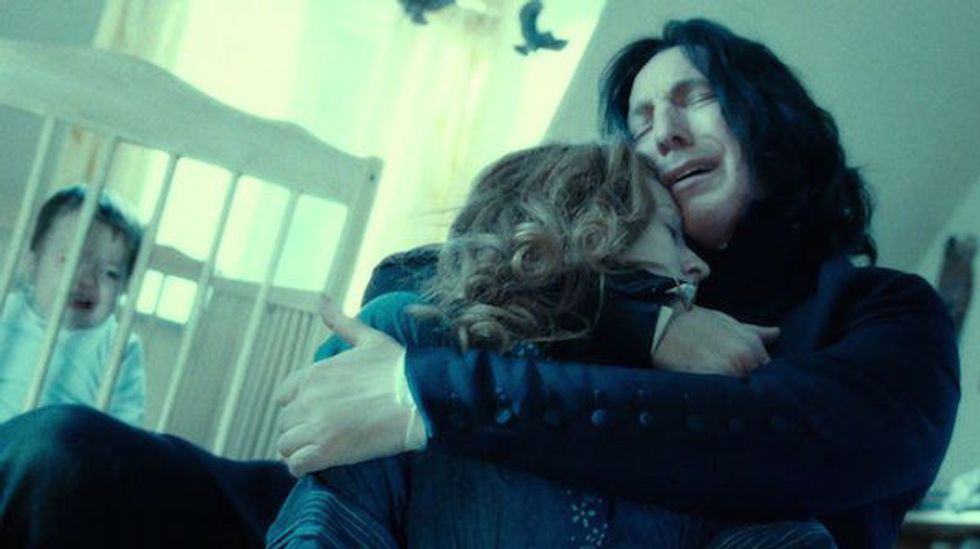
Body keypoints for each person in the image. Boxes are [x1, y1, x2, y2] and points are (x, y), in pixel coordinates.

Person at [0, 17, 958, 549]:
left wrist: (430, 393)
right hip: (409, 506)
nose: (661, 131)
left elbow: (798, 447)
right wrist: (636, 324)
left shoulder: (883, 311)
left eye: (695, 98)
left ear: (771, 116)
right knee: (59, 454)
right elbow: (419, 284)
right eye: (638, 118)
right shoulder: (616, 274)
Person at [269, 142, 837, 547]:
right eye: (670, 232)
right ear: (591, 222)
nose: (698, 267)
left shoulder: (685, 397)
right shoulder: (415, 333)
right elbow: (328, 528)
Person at [0, 184, 146, 426]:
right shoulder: (7, 313)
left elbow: (127, 428)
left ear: (125, 287)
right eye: (67, 260)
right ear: (32, 263)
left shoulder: (118, 346)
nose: (85, 279)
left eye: (109, 273)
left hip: (65, 448)